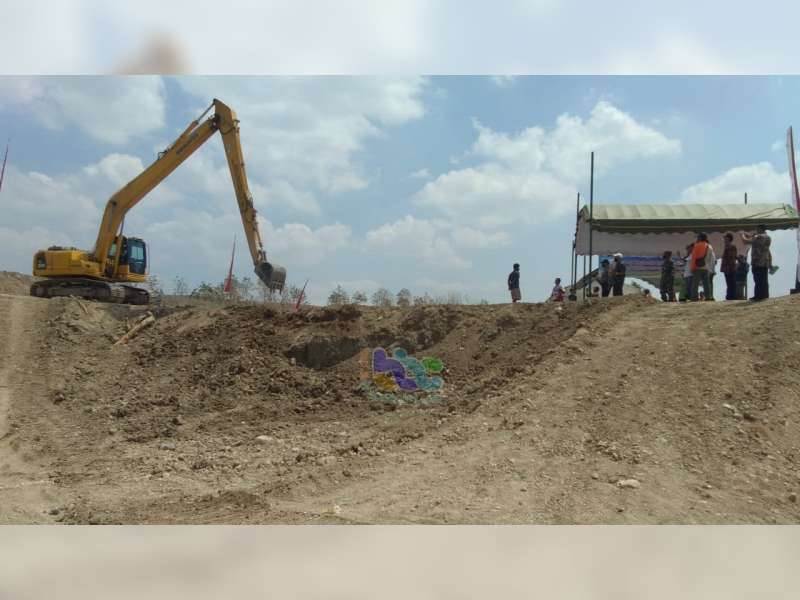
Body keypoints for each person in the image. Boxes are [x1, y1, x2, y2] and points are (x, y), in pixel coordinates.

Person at [742, 225, 771, 301]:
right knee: (764, 279)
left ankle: (758, 295)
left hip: (757, 261)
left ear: (760, 229)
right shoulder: (768, 237)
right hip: (765, 261)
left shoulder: (759, 237)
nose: (756, 230)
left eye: (757, 229)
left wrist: (741, 235)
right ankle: (764, 295)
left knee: (758, 280)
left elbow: (745, 241)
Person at [689, 233, 712, 301]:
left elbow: (694, 257)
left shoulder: (697, 245)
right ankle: (708, 297)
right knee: (706, 284)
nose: (697, 239)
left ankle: (694, 297)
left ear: (700, 238)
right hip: (706, 267)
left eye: (698, 237)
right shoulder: (710, 246)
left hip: (698, 267)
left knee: (695, 283)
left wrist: (692, 267)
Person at [720, 233, 738, 300]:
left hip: (730, 268)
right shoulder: (727, 246)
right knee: (729, 282)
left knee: (731, 282)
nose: (724, 239)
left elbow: (731, 258)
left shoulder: (731, 246)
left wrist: (729, 267)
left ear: (728, 238)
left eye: (725, 238)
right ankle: (730, 296)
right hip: (728, 267)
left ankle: (732, 296)